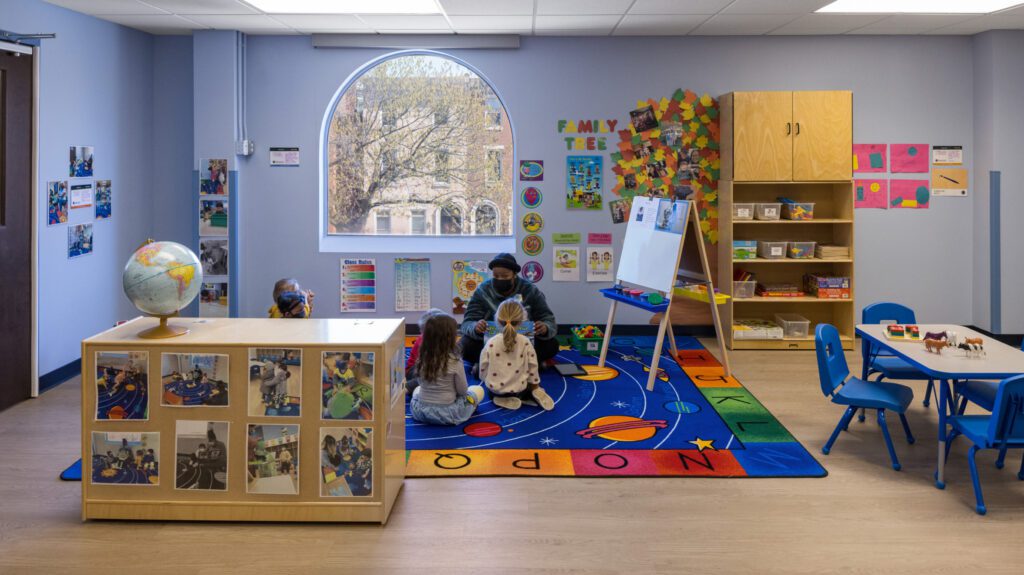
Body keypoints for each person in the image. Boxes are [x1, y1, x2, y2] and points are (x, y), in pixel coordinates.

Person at [460, 253, 558, 369]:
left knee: (552, 345)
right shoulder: (483, 291)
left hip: (522, 343)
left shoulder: (530, 290)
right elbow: (467, 323)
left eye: (505, 276)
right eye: (496, 276)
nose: (500, 279)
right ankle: (527, 363)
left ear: (514, 275)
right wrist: (476, 327)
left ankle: (487, 364)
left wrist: (545, 328)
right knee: (464, 346)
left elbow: (548, 318)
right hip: (492, 343)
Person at [409, 314, 485, 426]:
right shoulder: (455, 360)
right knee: (478, 390)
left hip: (421, 412)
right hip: (448, 413)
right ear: (450, 338)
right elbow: (463, 391)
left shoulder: (422, 357)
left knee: (418, 389)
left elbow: (420, 382)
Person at [480, 299, 554, 411]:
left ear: (498, 320)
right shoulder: (525, 342)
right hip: (520, 389)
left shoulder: (491, 342)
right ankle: (534, 392)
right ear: (521, 321)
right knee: (527, 384)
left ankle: (499, 398)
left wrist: (485, 378)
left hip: (496, 390)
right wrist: (535, 385)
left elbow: (483, 368)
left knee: (487, 388)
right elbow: (533, 366)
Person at [405, 308, 445, 394]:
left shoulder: (442, 340)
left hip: (431, 367)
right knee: (431, 377)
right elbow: (425, 367)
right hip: (416, 369)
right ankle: (408, 387)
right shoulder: (424, 342)